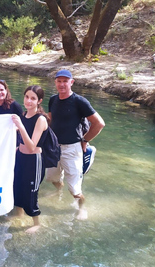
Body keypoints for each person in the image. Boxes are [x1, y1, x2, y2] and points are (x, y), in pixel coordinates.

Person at [46, 69, 105, 220]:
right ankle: (59, 191)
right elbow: (51, 120)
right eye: (59, 81)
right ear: (55, 83)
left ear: (71, 82)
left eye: (65, 81)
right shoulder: (53, 99)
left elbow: (99, 123)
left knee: (75, 189)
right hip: (54, 148)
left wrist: (84, 140)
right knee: (52, 178)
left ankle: (81, 208)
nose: (62, 84)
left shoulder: (79, 101)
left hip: (72, 149)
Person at [11, 85, 49, 233]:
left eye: (33, 98)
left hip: (34, 161)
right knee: (17, 185)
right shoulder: (24, 115)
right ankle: (18, 213)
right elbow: (20, 139)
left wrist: (20, 126)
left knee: (31, 191)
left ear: (39, 101)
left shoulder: (40, 119)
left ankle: (36, 222)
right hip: (20, 157)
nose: (28, 101)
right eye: (27, 97)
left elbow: (32, 146)